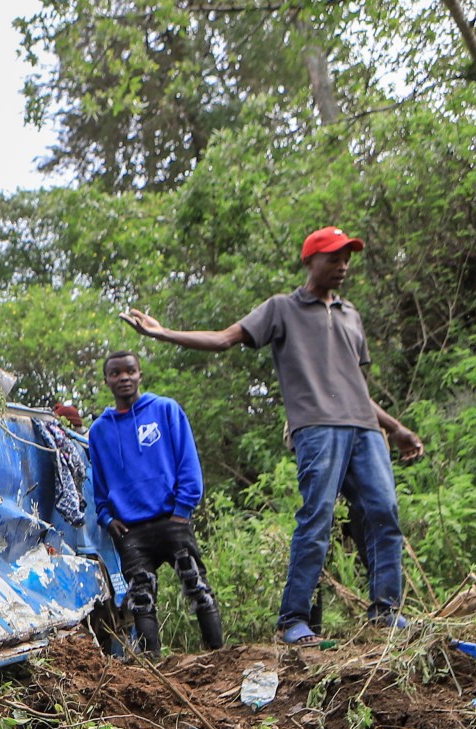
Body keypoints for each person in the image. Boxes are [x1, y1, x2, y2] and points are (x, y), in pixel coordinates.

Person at [121, 227, 426, 646]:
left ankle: (386, 611)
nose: (343, 266)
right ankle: (293, 619)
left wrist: (396, 428)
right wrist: (162, 333)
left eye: (347, 258)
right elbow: (224, 339)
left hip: (365, 430)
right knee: (317, 516)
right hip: (317, 428)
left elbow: (355, 386)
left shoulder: (351, 314)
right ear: (310, 261)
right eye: (334, 257)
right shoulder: (282, 309)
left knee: (384, 513)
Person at [86, 350, 223, 653]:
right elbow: (99, 484)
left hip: (172, 521)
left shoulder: (165, 410)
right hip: (131, 532)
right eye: (116, 373)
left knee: (197, 587)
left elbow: (187, 461)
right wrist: (107, 519)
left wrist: (183, 510)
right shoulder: (99, 431)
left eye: (130, 371)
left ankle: (219, 657)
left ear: (140, 374)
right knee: (141, 600)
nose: (124, 377)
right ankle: (153, 667)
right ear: (107, 380)